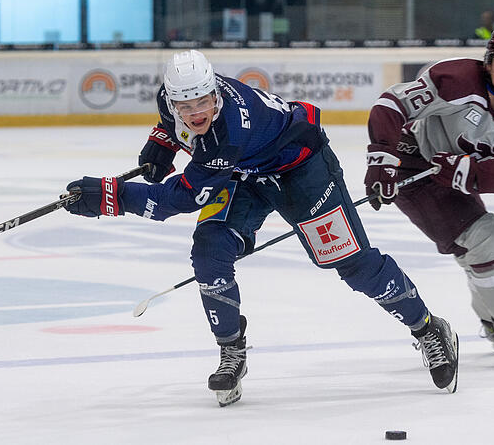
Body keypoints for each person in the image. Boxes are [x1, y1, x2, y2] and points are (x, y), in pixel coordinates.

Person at [62, 49, 459, 406]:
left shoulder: (228, 132)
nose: (196, 112)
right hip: (245, 172)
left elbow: (180, 199)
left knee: (350, 262)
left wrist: (111, 197)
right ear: (172, 99)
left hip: (302, 169)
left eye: (203, 102)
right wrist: (163, 143)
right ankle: (231, 351)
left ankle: (428, 328)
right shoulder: (173, 99)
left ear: (215, 92)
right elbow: (172, 124)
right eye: (186, 105)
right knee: (210, 248)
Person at [364, 26, 494, 368]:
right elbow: (391, 104)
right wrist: (382, 159)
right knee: (486, 238)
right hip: (412, 165)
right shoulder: (454, 80)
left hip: (452, 173)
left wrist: (468, 172)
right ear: (488, 64)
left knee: (479, 246)